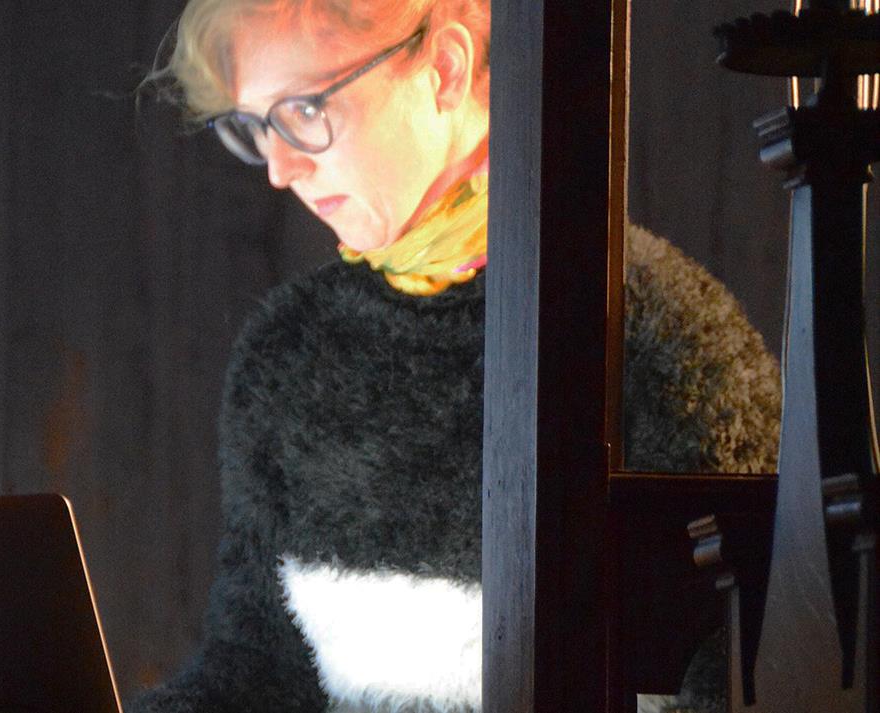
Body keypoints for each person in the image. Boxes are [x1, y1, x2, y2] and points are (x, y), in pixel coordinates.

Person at [134, 1, 781, 712]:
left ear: (444, 69)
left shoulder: (652, 336)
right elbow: (255, 668)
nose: (280, 169)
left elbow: (742, 679)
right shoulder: (288, 350)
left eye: (305, 109)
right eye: (257, 126)